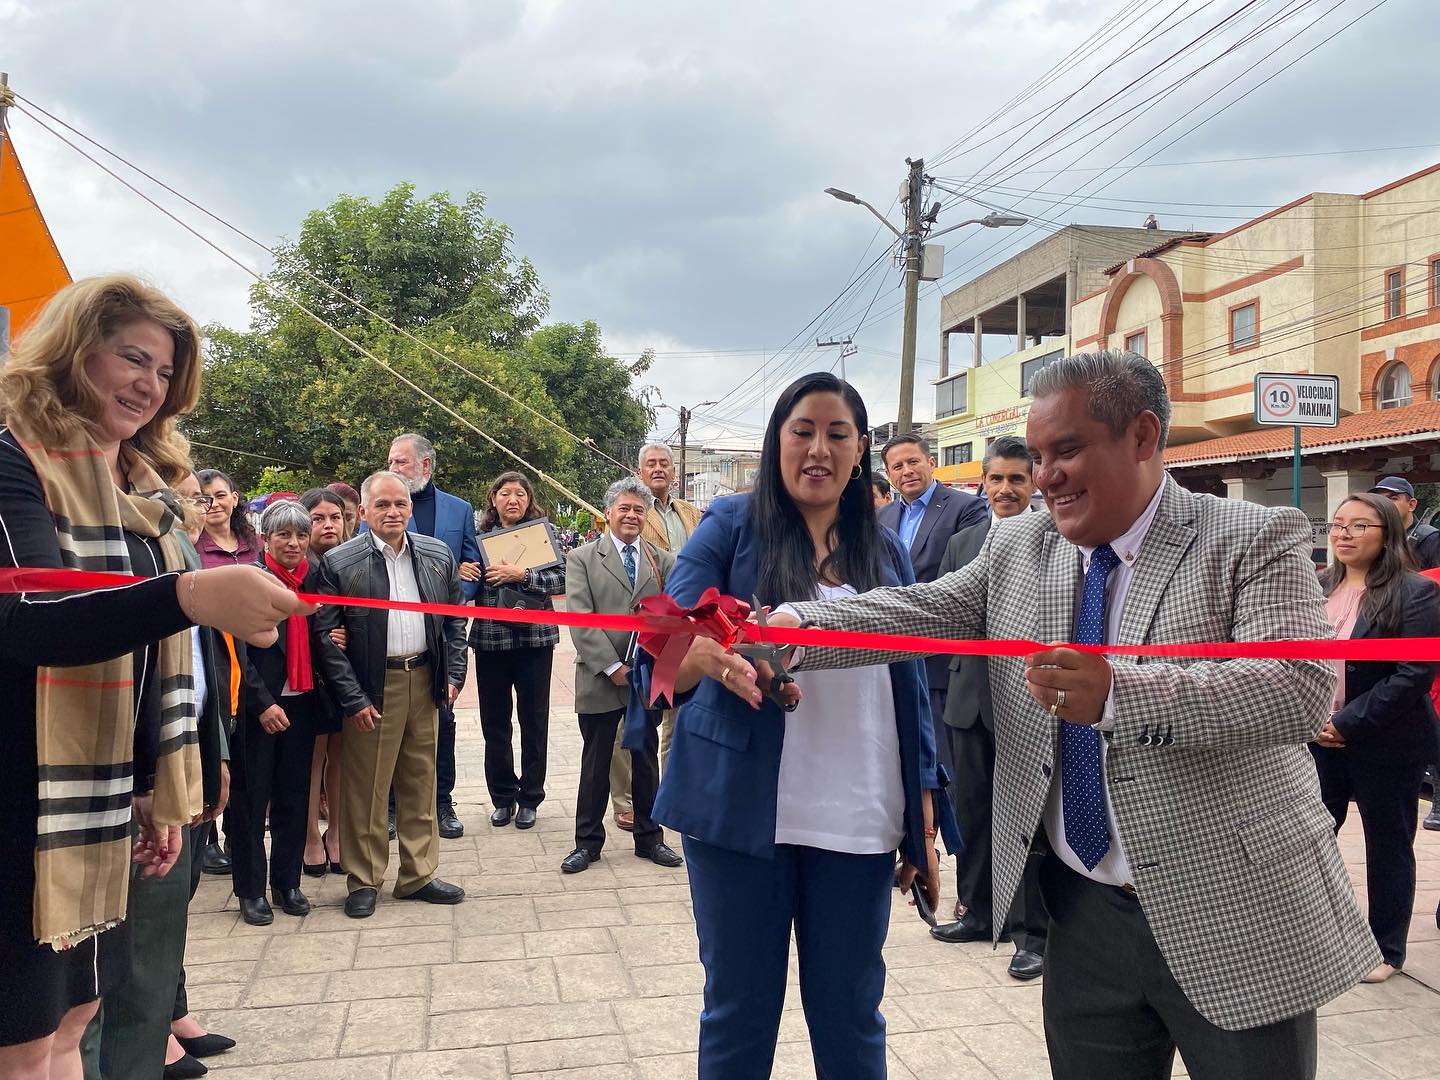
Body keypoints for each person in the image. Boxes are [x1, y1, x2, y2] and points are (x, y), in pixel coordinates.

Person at [757, 351, 1378, 1080]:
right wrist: (794, 630)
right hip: (1084, 921)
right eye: (1039, 454)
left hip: (1231, 911)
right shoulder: (1023, 543)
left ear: (1142, 437)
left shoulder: (1250, 537)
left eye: (1067, 451)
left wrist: (1120, 694)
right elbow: (923, 607)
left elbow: (1294, 688)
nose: (1044, 475)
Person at [0, 275, 308, 1078]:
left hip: (100, 802)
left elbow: (145, 652)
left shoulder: (144, 489)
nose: (150, 383)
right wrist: (192, 593)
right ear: (74, 349)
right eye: (132, 357)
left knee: (76, 1019)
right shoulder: (8, 458)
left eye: (166, 371)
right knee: (27, 1042)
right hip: (20, 803)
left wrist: (152, 784)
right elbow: (30, 620)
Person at [651, 373, 946, 1078]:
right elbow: (659, 637)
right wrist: (714, 659)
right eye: (802, 431)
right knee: (738, 1012)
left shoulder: (888, 552)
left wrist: (923, 808)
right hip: (742, 814)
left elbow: (913, 691)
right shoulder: (730, 525)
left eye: (836, 434)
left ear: (860, 449)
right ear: (776, 441)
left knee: (850, 1015)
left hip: (859, 815)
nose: (818, 449)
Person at [312, 470, 468, 919]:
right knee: (367, 788)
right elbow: (326, 637)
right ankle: (364, 880)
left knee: (421, 781)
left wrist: (453, 673)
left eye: (400, 504)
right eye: (382, 505)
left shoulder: (437, 555)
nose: (393, 512)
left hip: (426, 681)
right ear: (362, 512)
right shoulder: (340, 564)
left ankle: (418, 874)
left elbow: (455, 621)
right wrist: (354, 699)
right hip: (372, 687)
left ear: (411, 508)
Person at [928, 435, 1048, 982]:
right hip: (968, 698)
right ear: (984, 484)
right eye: (996, 479)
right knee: (972, 811)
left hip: (1029, 702)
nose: (1005, 489)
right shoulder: (966, 541)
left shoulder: (1055, 542)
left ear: (1034, 483)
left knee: (1027, 818)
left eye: (1016, 479)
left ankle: (1031, 933)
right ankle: (977, 912)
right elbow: (947, 609)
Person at [1312, 492, 1440, 984]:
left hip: (1385, 743)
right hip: (1315, 740)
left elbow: (1412, 674)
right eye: (1338, 524)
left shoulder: (1414, 592)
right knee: (1311, 842)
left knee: (1387, 846)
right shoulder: (1316, 585)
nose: (1343, 534)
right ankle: (1318, 936)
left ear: (1388, 533)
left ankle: (1386, 947)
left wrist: (1349, 723)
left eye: (1359, 526)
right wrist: (1312, 721)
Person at [561, 478, 682, 875]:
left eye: (638, 510)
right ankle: (587, 842)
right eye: (624, 509)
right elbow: (580, 617)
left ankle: (650, 838)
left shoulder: (661, 560)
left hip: (647, 678)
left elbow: (675, 612)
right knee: (596, 760)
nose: (631, 516)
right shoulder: (582, 558)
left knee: (645, 758)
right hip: (600, 676)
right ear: (608, 512)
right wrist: (613, 666)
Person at [229, 501, 339, 926]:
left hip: (303, 702)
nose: (293, 543)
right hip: (260, 707)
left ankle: (287, 884)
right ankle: (251, 890)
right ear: (266, 540)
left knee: (296, 797)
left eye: (299, 535)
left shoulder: (315, 577)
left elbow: (324, 632)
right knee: (251, 801)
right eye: (283, 536)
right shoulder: (250, 580)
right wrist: (262, 703)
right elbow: (237, 649)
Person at [386, 434, 481, 839]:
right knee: (390, 729)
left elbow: (472, 564)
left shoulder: (458, 510)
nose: (393, 470)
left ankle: (443, 804)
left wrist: (456, 588)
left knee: (442, 721)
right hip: (393, 635)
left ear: (425, 465)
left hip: (441, 638)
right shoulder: (378, 510)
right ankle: (391, 809)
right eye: (390, 462)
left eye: (401, 463)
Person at [609, 443, 703, 832]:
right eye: (652, 464)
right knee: (635, 715)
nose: (659, 469)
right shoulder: (633, 511)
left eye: (665, 463)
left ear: (674, 470)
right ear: (639, 470)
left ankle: (673, 795)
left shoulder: (690, 512)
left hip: (687, 625)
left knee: (679, 715)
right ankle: (627, 799)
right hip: (646, 625)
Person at [470, 471, 565, 830]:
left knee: (534, 720)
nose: (513, 500)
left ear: (529, 500)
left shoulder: (543, 535)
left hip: (535, 642)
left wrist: (522, 575)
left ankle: (530, 798)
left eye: (520, 494)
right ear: (493, 499)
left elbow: (563, 579)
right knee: (494, 724)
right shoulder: (477, 539)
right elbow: (466, 583)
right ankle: (503, 797)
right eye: (505, 493)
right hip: (491, 641)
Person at [1368, 476, 1440, 831]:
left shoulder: (1429, 539)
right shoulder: (1380, 538)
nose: (1388, 503)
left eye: (1393, 497)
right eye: (1380, 497)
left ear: (1411, 504)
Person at [299, 488, 349, 876]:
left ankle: (337, 833)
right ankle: (310, 836)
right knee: (312, 758)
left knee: (341, 755)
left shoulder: (352, 560)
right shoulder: (300, 565)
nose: (328, 525)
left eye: (335, 517)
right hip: (309, 674)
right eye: (318, 519)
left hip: (349, 674)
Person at [194, 469, 260, 568]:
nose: (214, 504)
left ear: (234, 499)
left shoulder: (256, 542)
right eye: (204, 499)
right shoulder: (191, 548)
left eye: (220, 496)